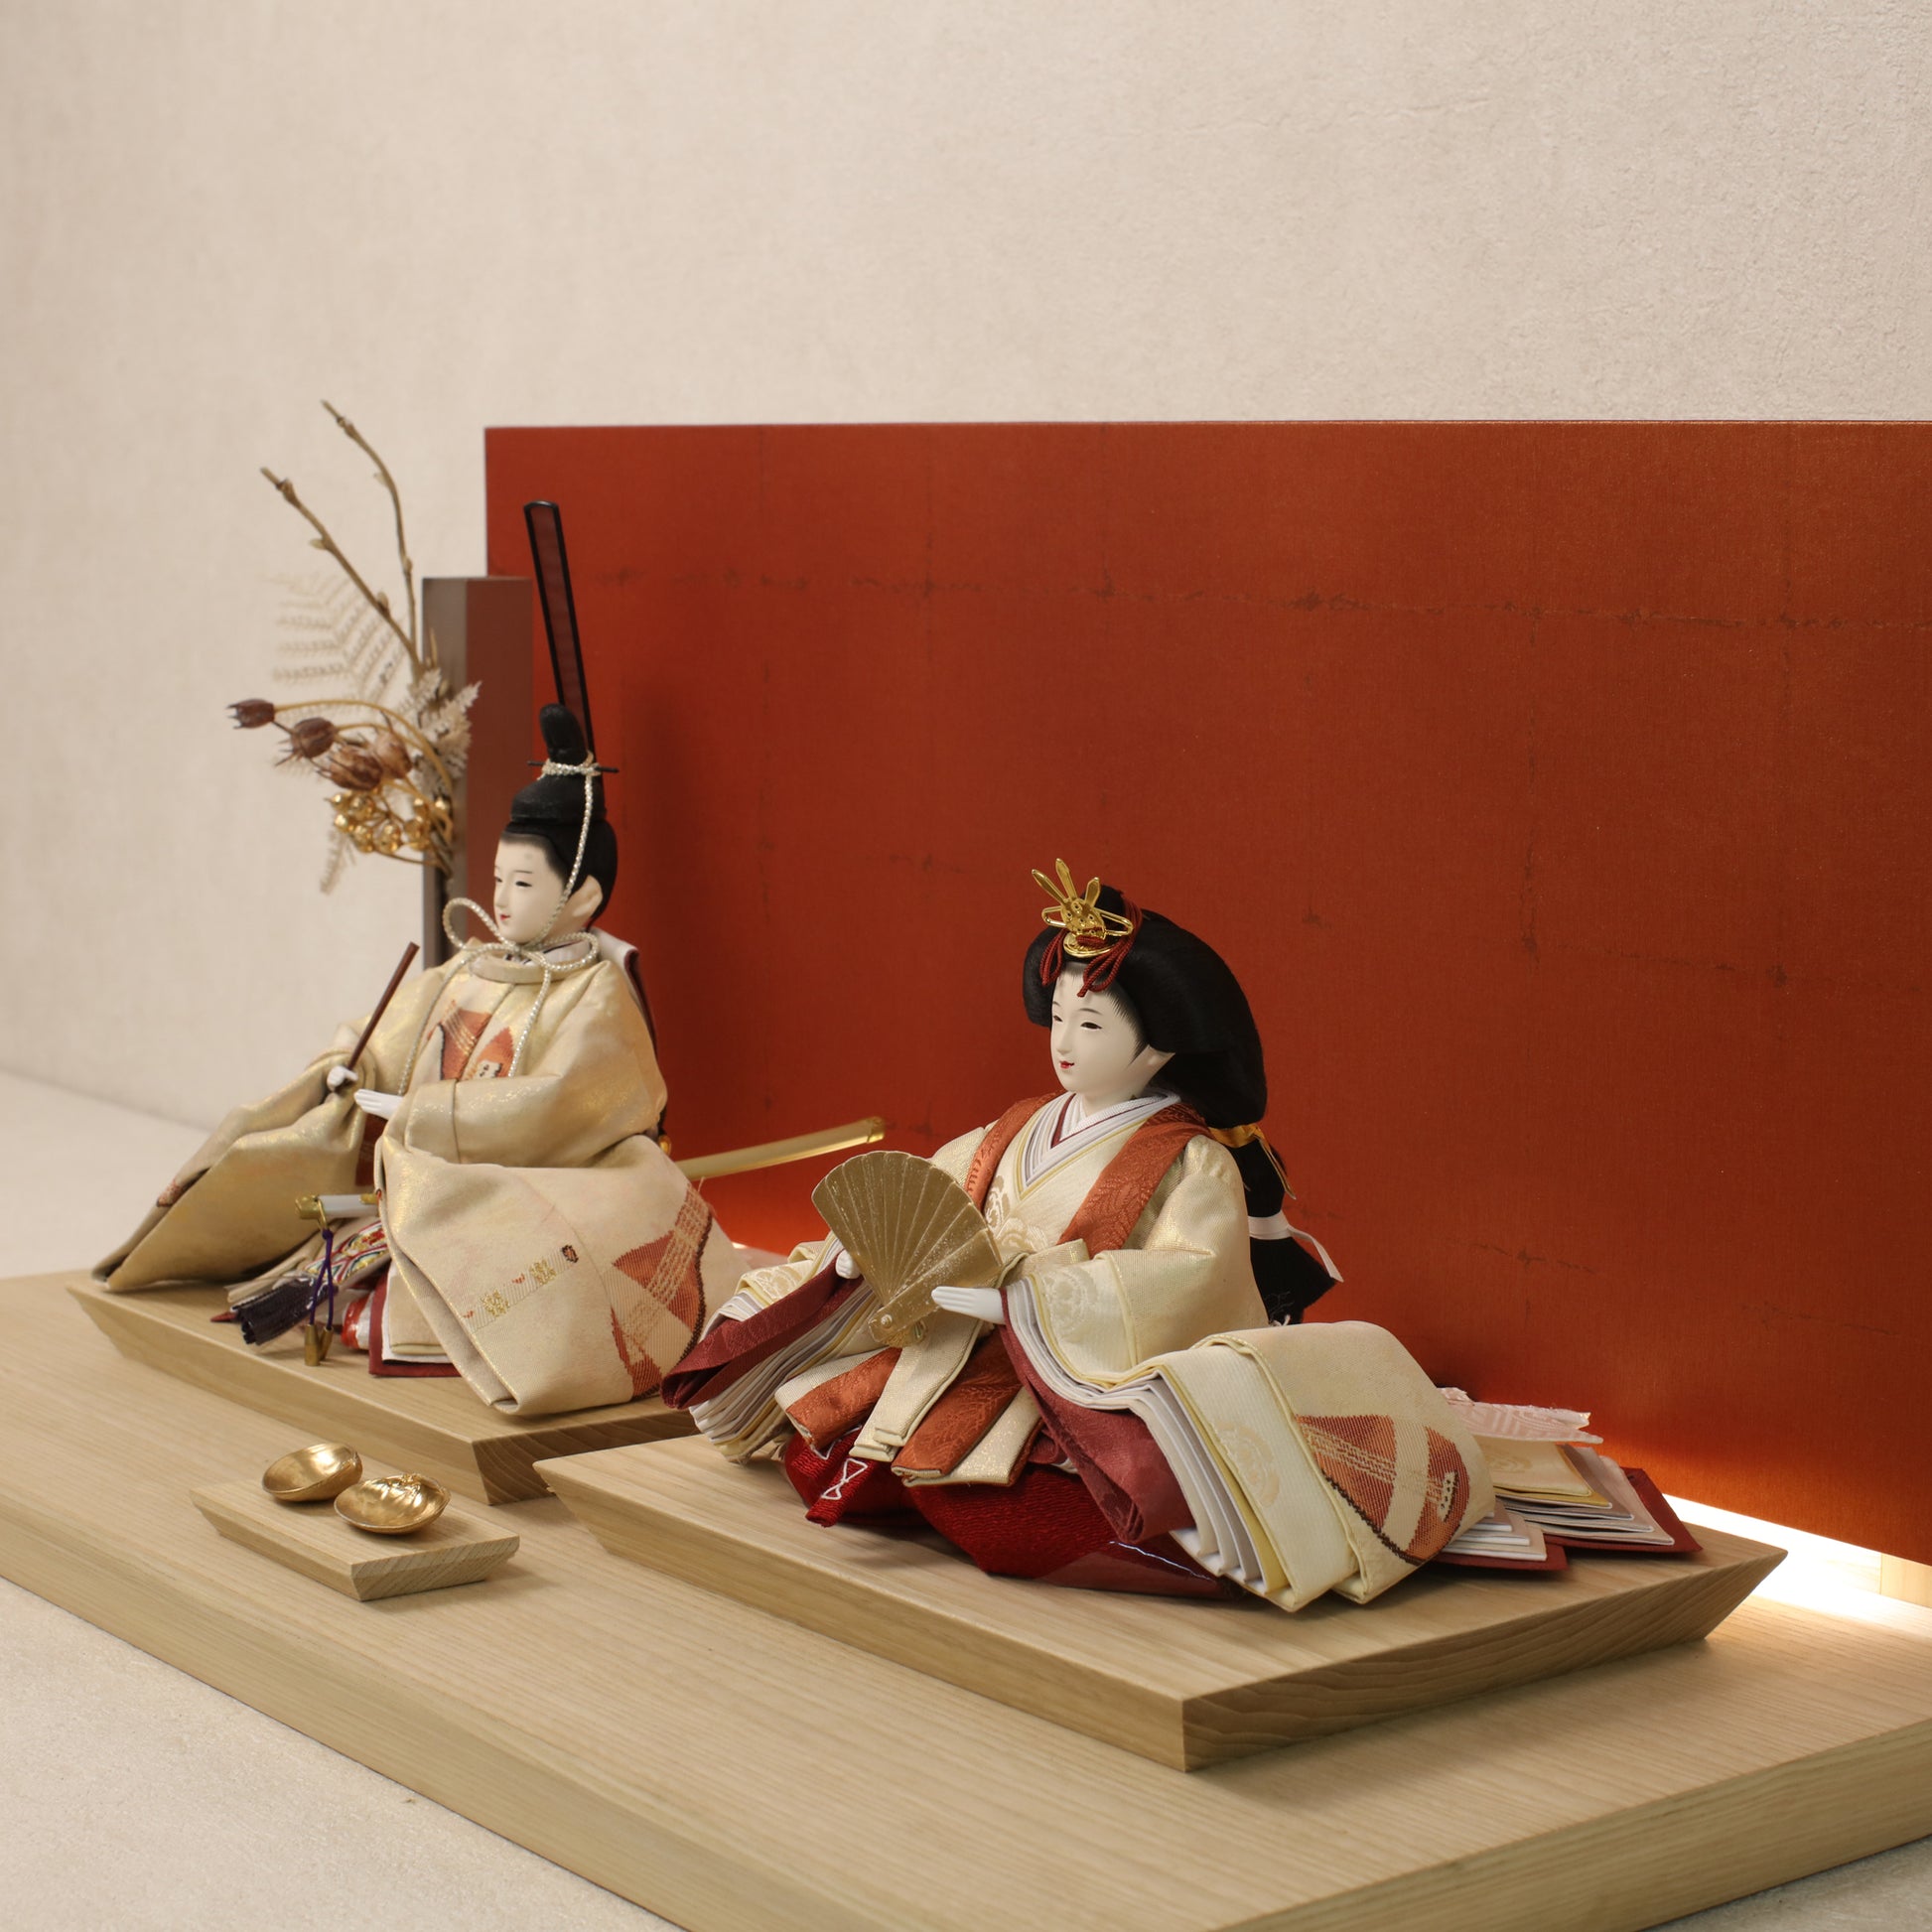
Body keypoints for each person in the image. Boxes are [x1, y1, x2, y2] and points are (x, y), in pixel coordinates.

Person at [664, 863, 1490, 1611]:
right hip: (961, 1353)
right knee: (819, 1451)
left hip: (1063, 1376)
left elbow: (1190, 1276)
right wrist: (868, 1252)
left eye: (1090, 1026)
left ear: (1160, 1044)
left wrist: (1023, 1302)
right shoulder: (1020, 1125)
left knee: (1015, 1517)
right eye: (1058, 1017)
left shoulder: (1192, 1160)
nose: (1062, 1043)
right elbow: (933, 1198)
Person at [98, 705, 741, 1416]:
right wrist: (346, 1066)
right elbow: (384, 1038)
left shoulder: (596, 993)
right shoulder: (470, 968)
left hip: (528, 1180)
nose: (500, 900)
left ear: (583, 894)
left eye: (524, 884)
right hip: (423, 1170)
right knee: (324, 1225)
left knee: (472, 1260)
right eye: (497, 879)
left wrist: (425, 1112)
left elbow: (566, 1103)